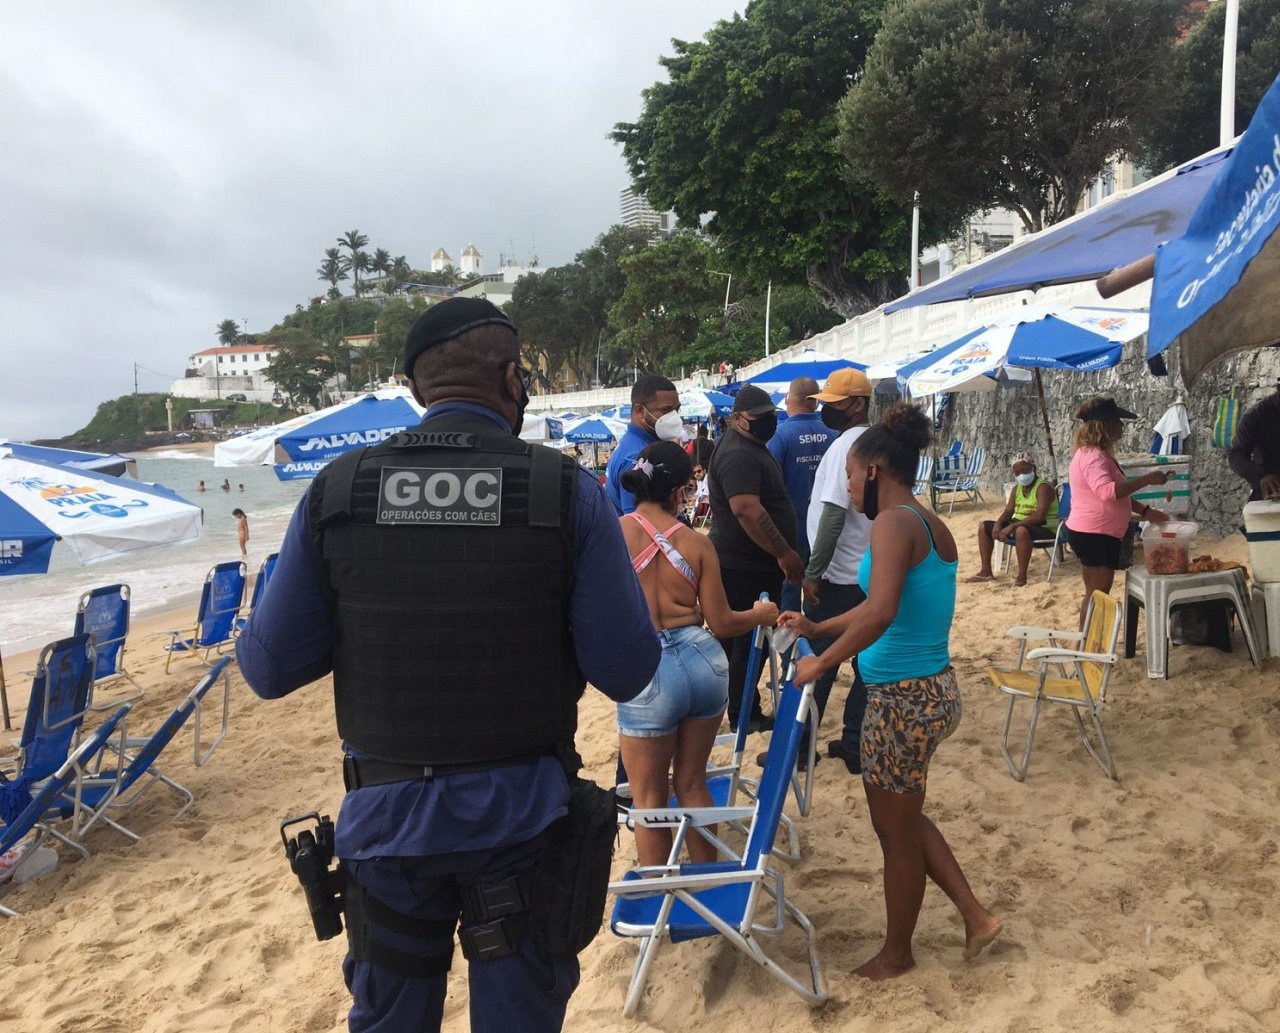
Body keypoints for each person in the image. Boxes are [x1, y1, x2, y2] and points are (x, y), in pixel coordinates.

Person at [236, 297, 660, 1033]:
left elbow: (269, 668)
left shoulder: (338, 490)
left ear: (416, 391)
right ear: (512, 377)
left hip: (387, 826)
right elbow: (627, 668)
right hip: (522, 821)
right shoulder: (566, 492)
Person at [779, 403, 1001, 981]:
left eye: (852, 476)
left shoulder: (892, 523)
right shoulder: (924, 519)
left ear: (876, 468)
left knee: (893, 832)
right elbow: (882, 612)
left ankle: (898, 954)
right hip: (928, 690)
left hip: (903, 700)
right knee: (905, 820)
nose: (849, 489)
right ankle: (977, 917)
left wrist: (819, 663)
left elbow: (877, 613)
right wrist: (815, 626)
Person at [617, 442, 778, 867]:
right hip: (702, 660)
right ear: (679, 492)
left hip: (647, 668)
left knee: (648, 797)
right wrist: (760, 615)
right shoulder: (697, 544)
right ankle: (708, 876)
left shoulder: (614, 535)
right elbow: (722, 622)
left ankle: (660, 894)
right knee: (692, 781)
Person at [706, 384, 800, 732]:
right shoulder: (739, 453)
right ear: (736, 420)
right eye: (758, 418)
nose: (767, 422)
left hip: (746, 563)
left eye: (770, 416)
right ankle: (745, 715)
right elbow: (747, 509)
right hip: (746, 565)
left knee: (739, 645)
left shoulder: (749, 446)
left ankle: (737, 708)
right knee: (749, 644)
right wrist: (784, 552)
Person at [797, 368, 874, 773]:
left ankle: (798, 749)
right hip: (867, 571)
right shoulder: (874, 442)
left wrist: (813, 573)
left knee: (818, 663)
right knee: (865, 662)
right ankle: (855, 743)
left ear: (857, 404)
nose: (825, 410)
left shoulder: (846, 445)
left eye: (833, 404)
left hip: (838, 575)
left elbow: (831, 516)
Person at [1066, 397, 1170, 627]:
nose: (1122, 426)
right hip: (1096, 534)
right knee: (1097, 594)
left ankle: (1088, 645)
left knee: (1097, 592)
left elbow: (1117, 495)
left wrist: (1145, 510)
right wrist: (1148, 479)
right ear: (1106, 425)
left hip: (1096, 532)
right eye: (1118, 421)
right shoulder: (1093, 458)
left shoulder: (1096, 455)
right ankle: (1086, 647)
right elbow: (1108, 492)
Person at [766, 376, 839, 615]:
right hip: (825, 525)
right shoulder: (832, 434)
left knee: (789, 590)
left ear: (788, 399)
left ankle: (791, 649)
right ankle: (817, 641)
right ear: (816, 403)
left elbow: (768, 481)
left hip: (791, 528)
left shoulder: (780, 436)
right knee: (820, 588)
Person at [965, 452, 1060, 587]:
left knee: (1021, 530)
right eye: (1017, 473)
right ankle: (986, 572)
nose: (1021, 475)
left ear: (1034, 468)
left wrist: (1012, 527)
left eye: (1025, 470)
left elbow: (1039, 516)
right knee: (984, 526)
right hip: (1020, 525)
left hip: (1045, 528)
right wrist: (998, 523)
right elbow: (1008, 511)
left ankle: (1022, 576)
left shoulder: (1043, 487)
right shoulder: (1017, 489)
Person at [604, 375, 681, 515]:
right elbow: (639, 524)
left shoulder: (636, 445)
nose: (674, 417)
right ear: (640, 411)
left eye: (677, 410)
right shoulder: (637, 457)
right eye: (666, 410)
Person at [1227, 376, 1280, 501]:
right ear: (1279, 388)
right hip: (1271, 493)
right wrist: (1262, 475)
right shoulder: (1256, 416)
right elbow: (1236, 454)